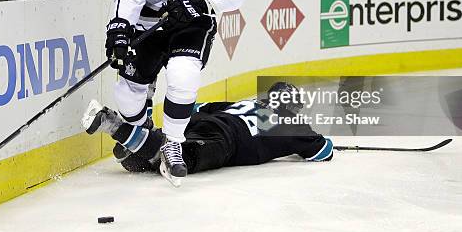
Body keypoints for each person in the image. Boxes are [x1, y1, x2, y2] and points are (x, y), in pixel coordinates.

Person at [103, 0, 246, 186]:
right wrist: (119, 29)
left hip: (192, 22)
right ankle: (143, 134)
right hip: (149, 21)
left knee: (183, 76)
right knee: (127, 94)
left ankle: (173, 144)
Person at [81, 82, 333, 180]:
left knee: (144, 165)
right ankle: (112, 124)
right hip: (224, 139)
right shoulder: (290, 124)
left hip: (204, 122)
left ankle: (140, 138)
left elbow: (198, 107)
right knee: (177, 160)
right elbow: (323, 151)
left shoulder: (244, 103)